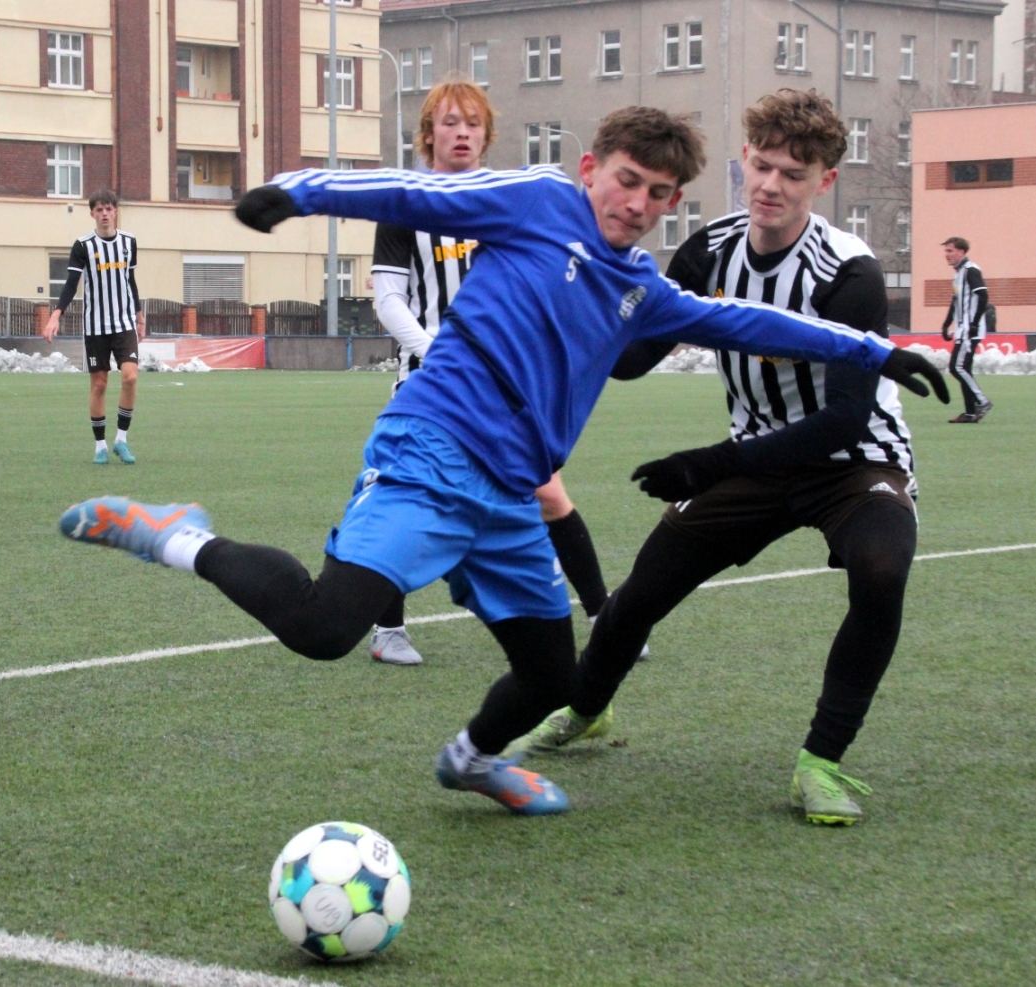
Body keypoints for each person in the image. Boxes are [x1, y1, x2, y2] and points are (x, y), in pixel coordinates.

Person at [59, 107, 946, 818]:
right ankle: (178, 535)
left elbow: (744, 322)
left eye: (656, 193)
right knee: (326, 628)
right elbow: (410, 192)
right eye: (625, 179)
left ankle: (472, 759)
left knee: (552, 677)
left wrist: (875, 351)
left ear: (671, 202)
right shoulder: (536, 201)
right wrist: (296, 191)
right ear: (591, 166)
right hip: (432, 448)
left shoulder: (641, 287)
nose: (635, 203)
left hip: (512, 492)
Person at [507, 90, 938, 826]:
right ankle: (585, 708)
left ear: (825, 181)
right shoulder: (708, 250)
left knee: (880, 568)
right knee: (640, 595)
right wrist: (581, 308)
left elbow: (842, 417)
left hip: (855, 461)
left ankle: (820, 761)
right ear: (743, 159)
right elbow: (633, 359)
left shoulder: (850, 272)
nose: (770, 186)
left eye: (793, 175)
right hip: (752, 460)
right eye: (761, 166)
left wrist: (710, 463)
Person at [367, 80, 617, 667]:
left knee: (548, 493)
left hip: (508, 382)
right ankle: (387, 628)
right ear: (429, 134)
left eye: (473, 124)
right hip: (431, 382)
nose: (462, 133)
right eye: (450, 122)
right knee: (409, 495)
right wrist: (436, 351)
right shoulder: (404, 204)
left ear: (486, 135)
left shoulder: (514, 200)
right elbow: (388, 298)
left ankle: (607, 619)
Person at [43, 189, 143, 465]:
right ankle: (100, 446)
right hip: (96, 326)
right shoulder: (83, 246)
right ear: (92, 213)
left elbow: (130, 281)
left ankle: (121, 440)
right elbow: (70, 284)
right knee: (99, 384)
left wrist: (139, 316)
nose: (105, 214)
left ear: (115, 211)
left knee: (130, 377)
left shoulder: (129, 242)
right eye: (99, 209)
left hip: (124, 323)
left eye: (109, 209)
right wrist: (55, 315)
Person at [940, 236, 993, 423]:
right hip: (963, 329)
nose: (946, 254)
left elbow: (983, 296)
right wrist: (946, 324)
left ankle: (982, 401)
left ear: (961, 252)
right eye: (946, 251)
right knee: (964, 369)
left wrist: (974, 324)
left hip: (970, 330)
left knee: (957, 367)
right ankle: (970, 413)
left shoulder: (971, 270)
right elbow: (956, 302)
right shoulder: (958, 274)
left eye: (950, 250)